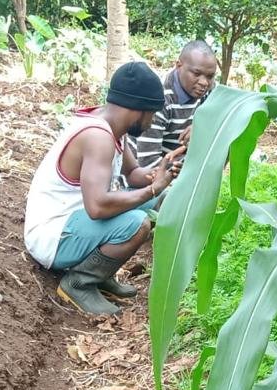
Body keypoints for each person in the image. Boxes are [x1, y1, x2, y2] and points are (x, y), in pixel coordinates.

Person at [24, 61, 182, 317]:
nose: (151, 121)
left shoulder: (111, 128)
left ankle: (100, 273)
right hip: (52, 237)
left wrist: (160, 172)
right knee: (137, 223)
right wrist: (152, 189)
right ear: (138, 110)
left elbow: (132, 175)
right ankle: (79, 283)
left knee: (155, 199)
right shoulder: (98, 138)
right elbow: (97, 207)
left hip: (72, 222)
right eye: (151, 114)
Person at [130, 40, 217, 166]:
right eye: (196, 74)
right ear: (178, 65)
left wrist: (201, 127)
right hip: (146, 173)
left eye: (209, 76)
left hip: (179, 166)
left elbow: (229, 118)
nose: (204, 82)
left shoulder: (209, 91)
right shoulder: (160, 101)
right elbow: (148, 162)